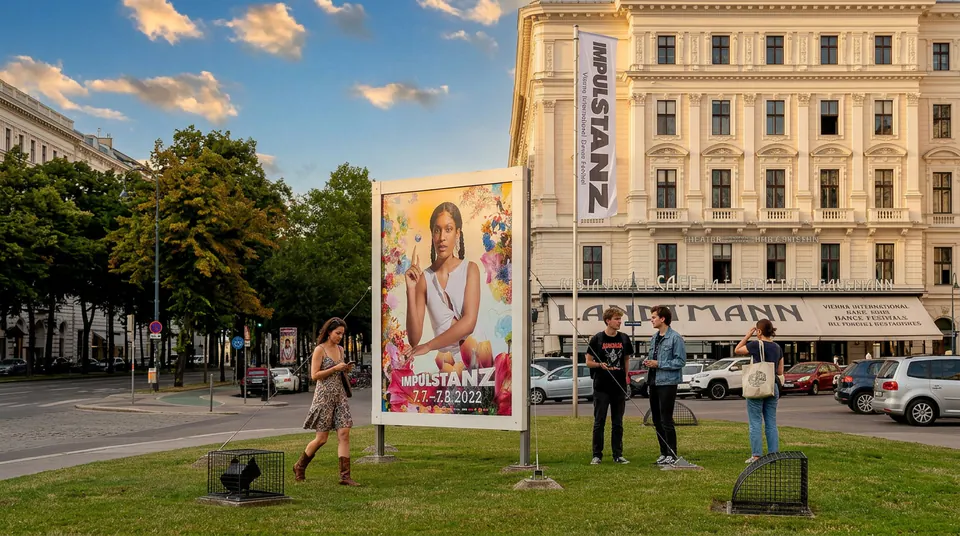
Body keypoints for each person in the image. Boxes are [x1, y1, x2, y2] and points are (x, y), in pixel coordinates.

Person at [402, 202, 481, 363]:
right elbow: (414, 339)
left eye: (448, 229)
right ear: (432, 234)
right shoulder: (425, 278)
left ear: (458, 233)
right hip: (445, 364)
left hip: (475, 358)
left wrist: (429, 345)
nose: (442, 237)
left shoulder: (470, 269)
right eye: (437, 230)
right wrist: (411, 290)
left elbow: (469, 322)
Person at [294, 317, 359, 486]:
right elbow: (314, 375)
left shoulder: (341, 349)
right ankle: (300, 466)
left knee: (344, 434)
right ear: (329, 332)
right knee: (321, 439)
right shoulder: (320, 350)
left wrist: (345, 369)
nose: (340, 337)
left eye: (342, 334)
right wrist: (334, 368)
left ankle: (345, 476)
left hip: (340, 396)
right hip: (324, 397)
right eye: (337, 333)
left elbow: (339, 372)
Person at [586, 307, 633, 465]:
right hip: (601, 386)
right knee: (599, 421)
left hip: (618, 386)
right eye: (617, 319)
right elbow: (588, 362)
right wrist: (600, 365)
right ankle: (597, 455)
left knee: (617, 422)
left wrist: (626, 378)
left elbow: (626, 360)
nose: (620, 322)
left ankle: (618, 454)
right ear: (608, 321)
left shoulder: (624, 338)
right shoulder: (597, 339)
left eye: (620, 319)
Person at [735, 318, 784, 464]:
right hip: (772, 385)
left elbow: (737, 350)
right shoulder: (777, 347)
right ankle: (773, 454)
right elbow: (780, 370)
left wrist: (748, 335)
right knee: (771, 422)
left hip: (758, 384)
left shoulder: (756, 344)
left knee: (755, 421)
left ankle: (756, 455)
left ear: (759, 331)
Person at [646, 305, 686, 465]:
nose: (652, 320)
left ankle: (672, 453)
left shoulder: (675, 338)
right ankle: (663, 452)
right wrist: (649, 363)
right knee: (656, 418)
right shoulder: (654, 338)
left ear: (663, 319)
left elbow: (680, 361)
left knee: (666, 419)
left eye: (654, 317)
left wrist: (659, 363)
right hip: (654, 381)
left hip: (668, 382)